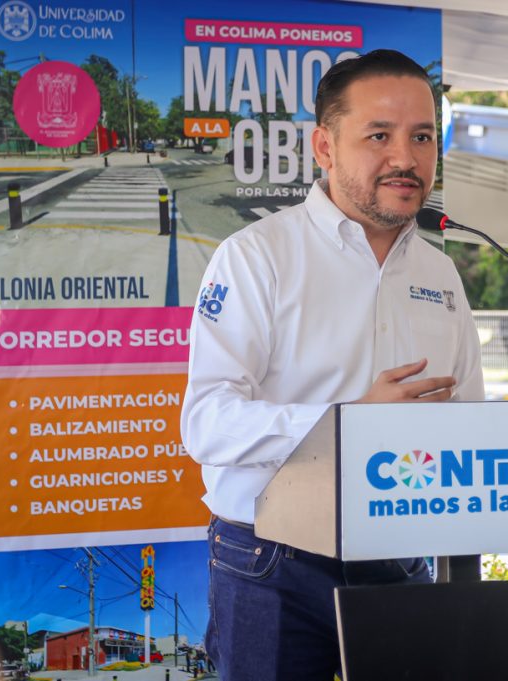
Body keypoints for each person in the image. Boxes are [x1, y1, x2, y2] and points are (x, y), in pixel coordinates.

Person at [180, 49, 485, 681]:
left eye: (422, 136)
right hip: (272, 565)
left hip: (400, 561)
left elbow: (468, 427)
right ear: (324, 146)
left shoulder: (441, 274)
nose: (406, 158)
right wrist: (345, 423)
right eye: (379, 135)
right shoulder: (257, 256)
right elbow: (206, 423)